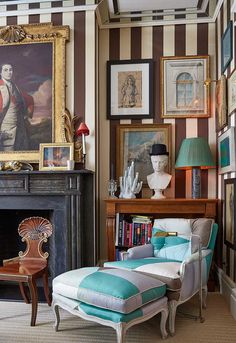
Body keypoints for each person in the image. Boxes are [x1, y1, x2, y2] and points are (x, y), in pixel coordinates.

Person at [0, 63, 34, 151]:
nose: (9, 72)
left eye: (10, 70)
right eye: (5, 70)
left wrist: (26, 114)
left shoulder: (15, 87)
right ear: (1, 73)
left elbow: (26, 100)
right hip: (5, 128)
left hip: (18, 127)